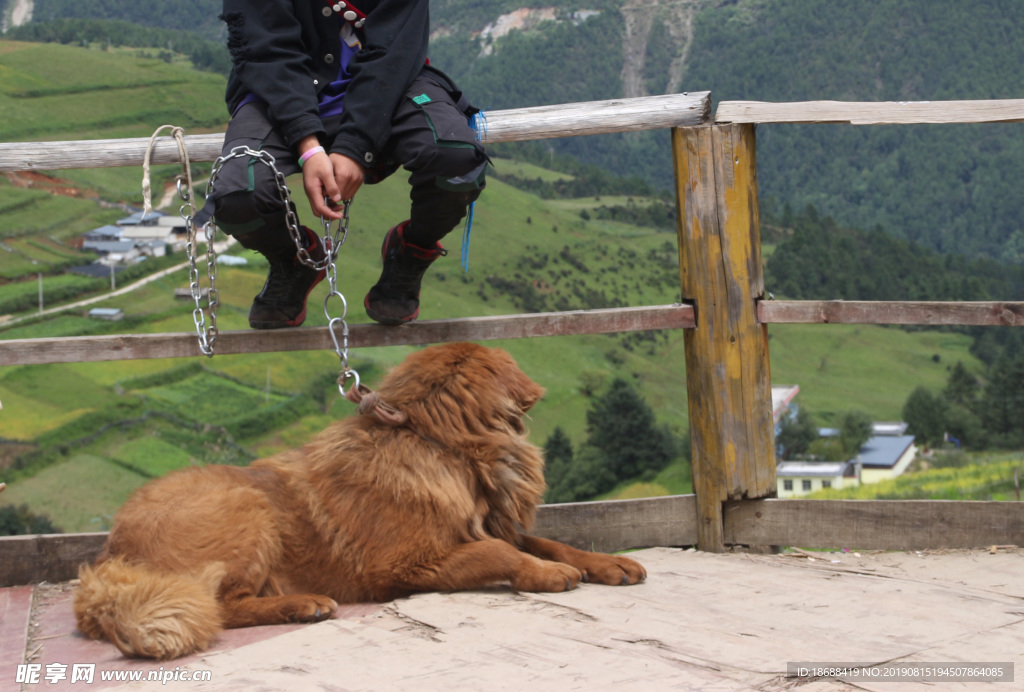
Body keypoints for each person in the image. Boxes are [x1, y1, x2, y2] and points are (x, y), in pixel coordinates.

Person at [195, 0, 488, 328]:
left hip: (391, 85)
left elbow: (395, 47)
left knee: (456, 157)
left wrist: (354, 146)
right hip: (276, 92)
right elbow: (266, 47)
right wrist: (308, 145)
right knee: (236, 193)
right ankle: (293, 261)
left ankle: (412, 251)